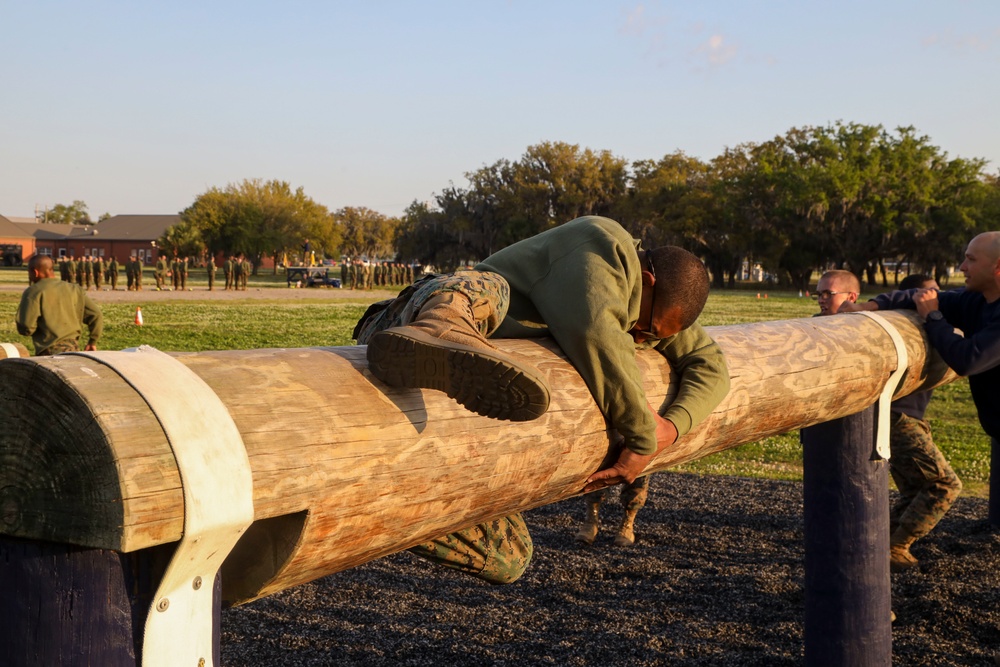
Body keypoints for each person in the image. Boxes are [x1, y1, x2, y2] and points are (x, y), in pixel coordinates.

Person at [356, 215, 730, 582]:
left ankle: (384, 512)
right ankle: (442, 331)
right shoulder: (600, 245)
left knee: (509, 555)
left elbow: (712, 364)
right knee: (493, 289)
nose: (643, 340)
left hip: (455, 414)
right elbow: (599, 334)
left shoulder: (651, 305)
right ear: (647, 282)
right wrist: (645, 438)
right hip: (403, 319)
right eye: (648, 331)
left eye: (654, 337)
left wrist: (674, 427)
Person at [815, 269, 962, 572]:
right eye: (928, 293)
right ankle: (895, 547)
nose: (936, 299)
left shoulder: (923, 317)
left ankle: (875, 547)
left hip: (906, 417)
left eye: (828, 293)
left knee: (913, 490)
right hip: (897, 418)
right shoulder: (903, 317)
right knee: (944, 484)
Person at [15, 255, 103, 356]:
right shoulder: (74, 289)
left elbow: (26, 326)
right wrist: (92, 341)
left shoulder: (33, 291)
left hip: (48, 351)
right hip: (73, 350)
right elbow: (96, 314)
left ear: (35, 272)